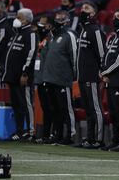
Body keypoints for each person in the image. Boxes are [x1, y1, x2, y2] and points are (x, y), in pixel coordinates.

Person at [41, 10, 77, 145]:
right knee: (54, 109)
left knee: (66, 108)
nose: (58, 20)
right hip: (50, 78)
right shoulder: (52, 37)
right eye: (57, 18)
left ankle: (70, 135)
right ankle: (58, 133)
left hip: (63, 79)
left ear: (68, 20)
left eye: (62, 18)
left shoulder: (70, 35)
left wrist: (73, 75)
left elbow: (74, 56)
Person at [2, 8, 38, 141]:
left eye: (20, 17)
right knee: (16, 104)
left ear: (27, 20)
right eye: (17, 17)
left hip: (23, 77)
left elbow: (31, 54)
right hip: (12, 76)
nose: (17, 20)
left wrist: (25, 73)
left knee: (26, 104)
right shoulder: (15, 34)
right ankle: (19, 130)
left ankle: (31, 131)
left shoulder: (31, 34)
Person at [100, 9, 119, 152]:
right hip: (110, 80)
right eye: (114, 17)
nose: (115, 19)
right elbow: (106, 56)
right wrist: (102, 72)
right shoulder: (113, 36)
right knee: (113, 111)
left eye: (118, 17)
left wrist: (105, 72)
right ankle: (115, 139)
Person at [76, 2, 106, 149]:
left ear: (93, 13)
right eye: (82, 8)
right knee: (88, 110)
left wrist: (102, 72)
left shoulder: (95, 30)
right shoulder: (83, 30)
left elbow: (102, 54)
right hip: (82, 77)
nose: (83, 10)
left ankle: (99, 140)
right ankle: (89, 138)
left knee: (96, 109)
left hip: (92, 77)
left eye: (86, 8)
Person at [33, 16, 55, 144]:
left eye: (44, 24)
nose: (41, 27)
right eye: (40, 24)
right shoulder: (38, 38)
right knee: (44, 106)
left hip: (48, 78)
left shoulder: (52, 39)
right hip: (40, 78)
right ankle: (44, 134)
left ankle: (49, 134)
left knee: (49, 107)